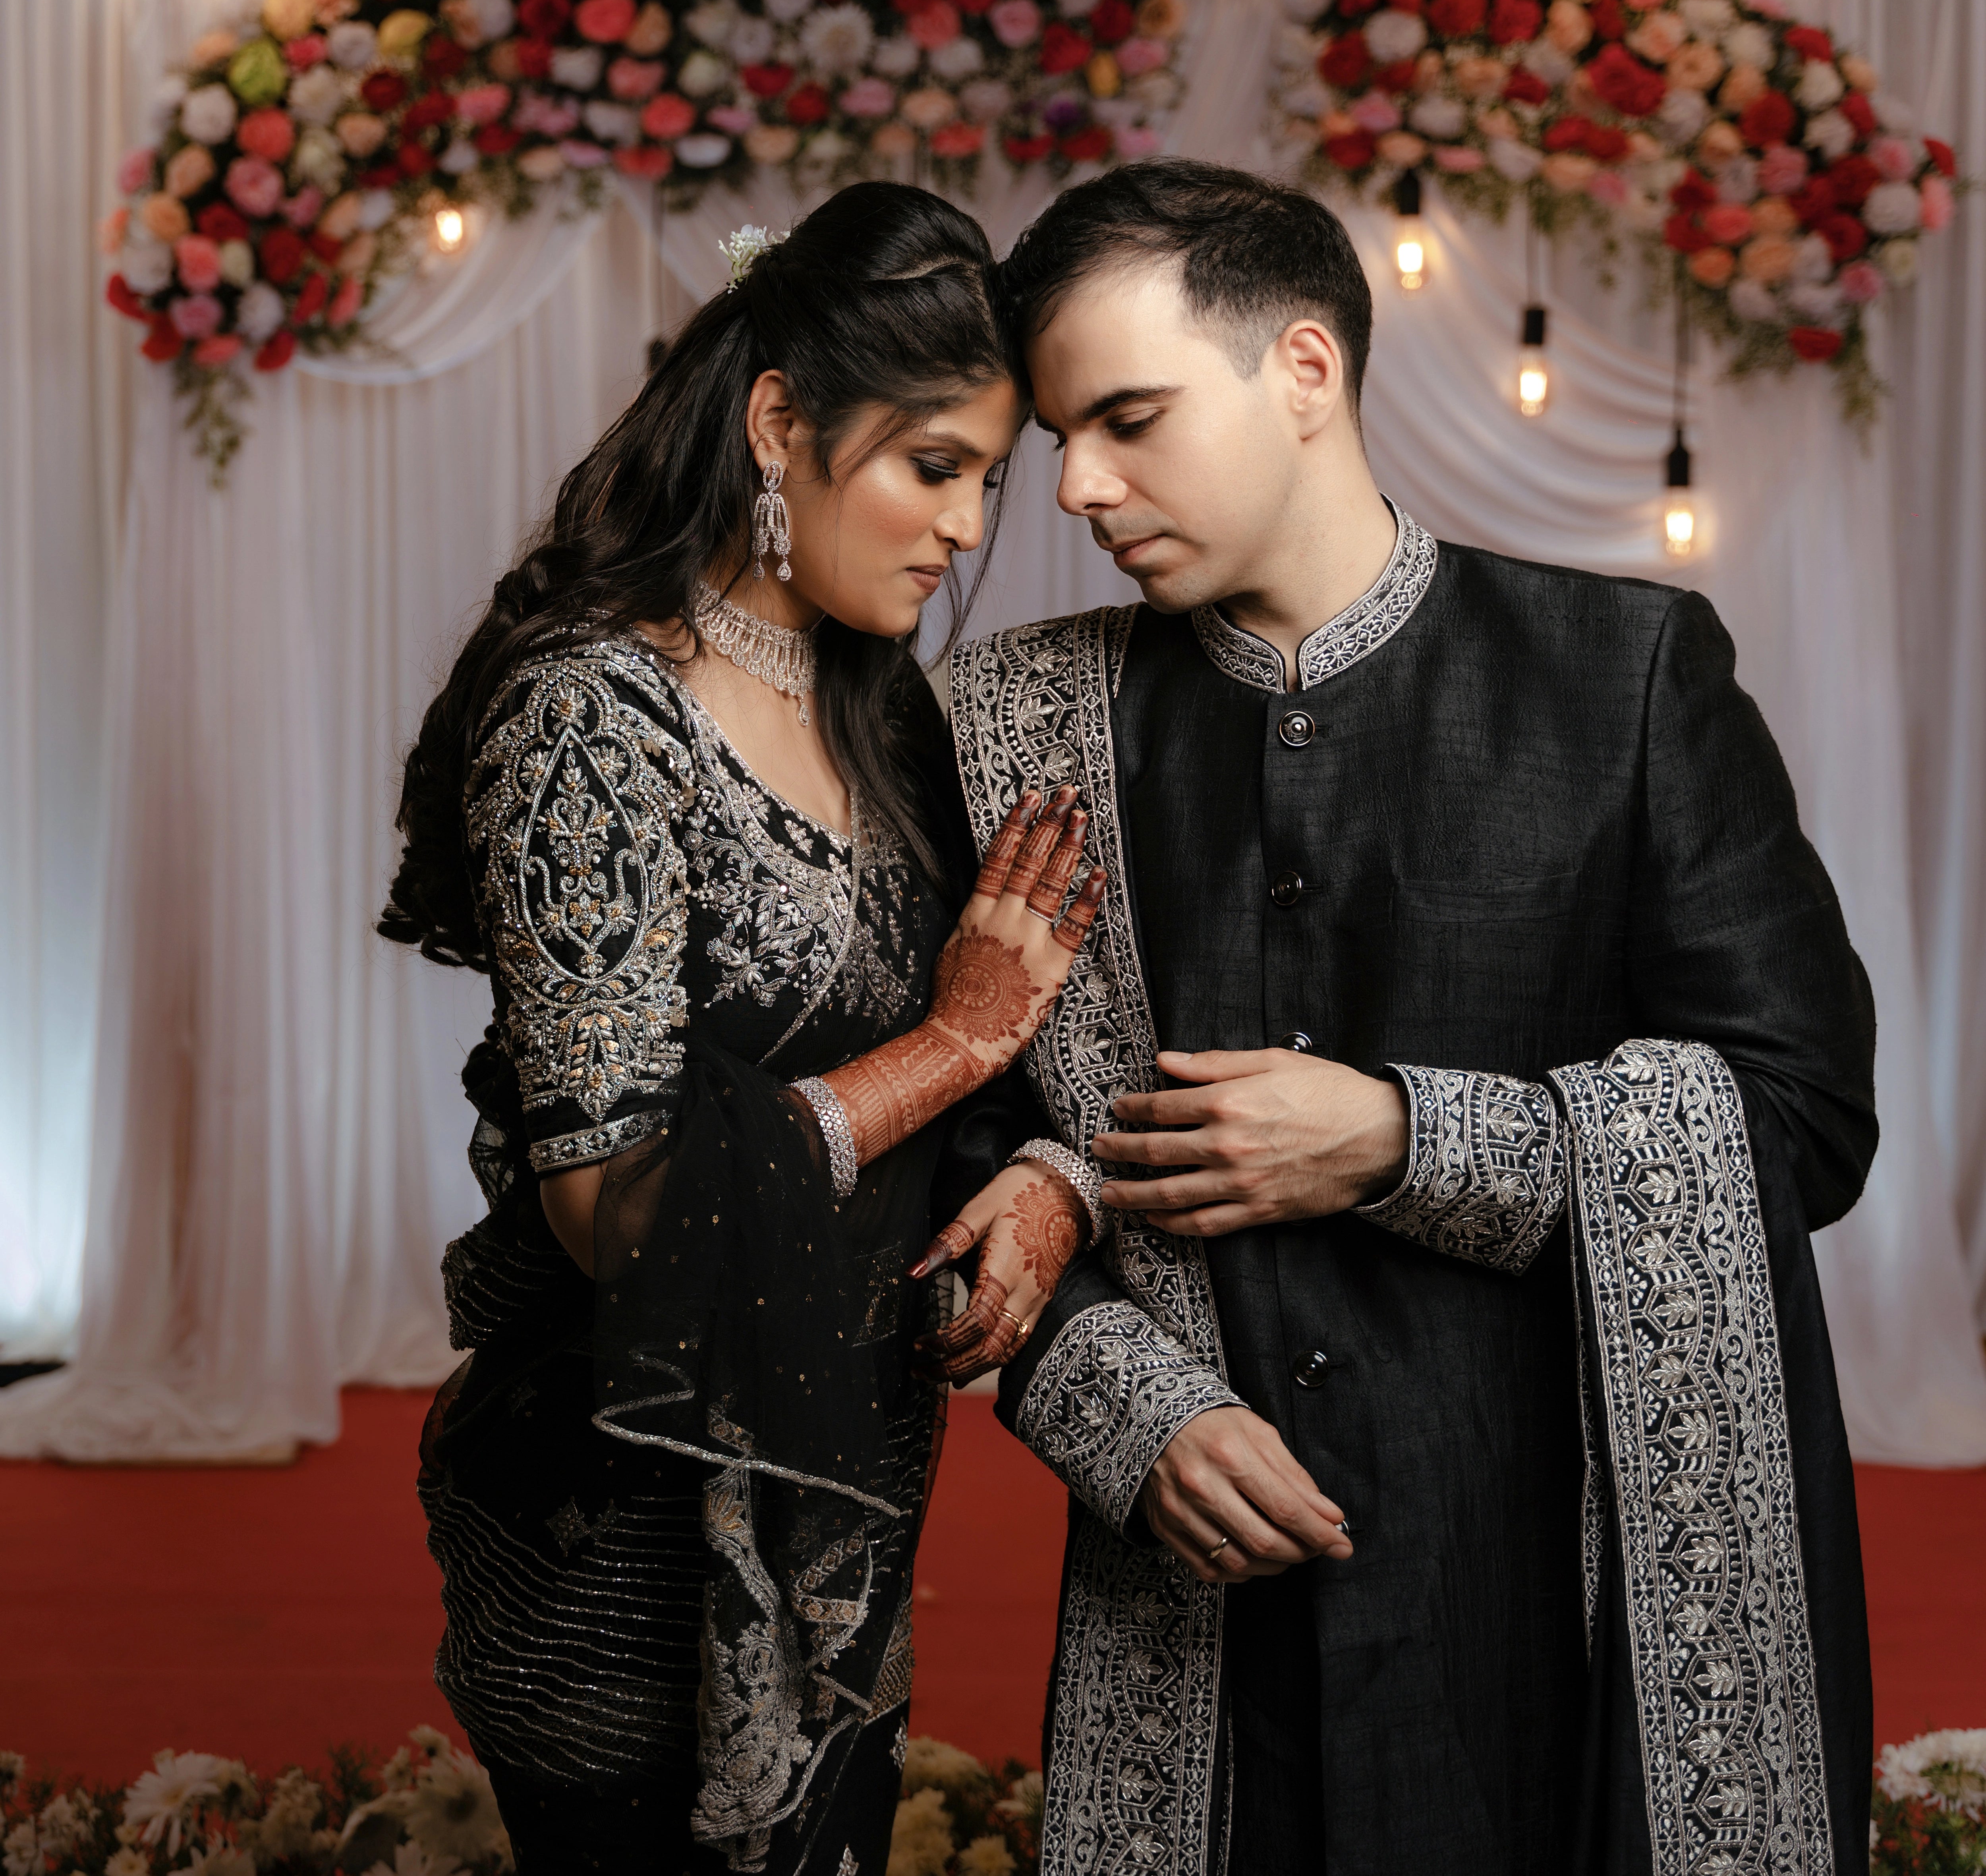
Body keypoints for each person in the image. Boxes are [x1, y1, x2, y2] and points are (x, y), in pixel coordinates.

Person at [934, 160, 1877, 1875]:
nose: (1077, 485)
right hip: (1202, 1610)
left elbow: (1802, 1114)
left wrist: (1393, 1135)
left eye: (1127, 418)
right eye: (1055, 439)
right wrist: (1120, 1407)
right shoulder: (1016, 721)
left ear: (1301, 370)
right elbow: (973, 1141)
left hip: (1553, 1583)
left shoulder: (1625, 677)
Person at [377, 182, 1105, 1876]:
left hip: (835, 1481)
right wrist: (948, 1043)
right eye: (934, 465)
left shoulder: (877, 709)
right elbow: (613, 1208)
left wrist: (1044, 1162)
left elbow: (1027, 1045)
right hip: (617, 1512)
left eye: (987, 479)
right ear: (781, 421)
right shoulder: (586, 712)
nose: (967, 527)